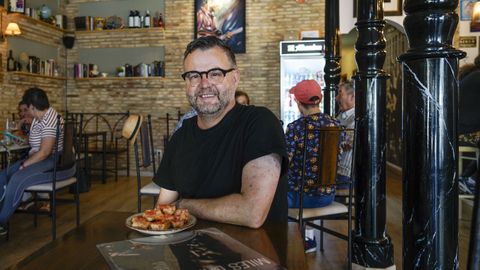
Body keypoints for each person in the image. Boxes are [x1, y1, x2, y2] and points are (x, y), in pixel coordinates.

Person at [153, 36, 288, 228]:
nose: (204, 84)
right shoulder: (180, 137)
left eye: (215, 73)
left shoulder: (260, 123)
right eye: (193, 75)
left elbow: (252, 213)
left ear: (235, 78)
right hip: (188, 252)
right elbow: (163, 209)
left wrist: (183, 205)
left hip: (254, 254)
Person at [0, 88, 75, 235]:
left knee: (17, 179)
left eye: (27, 108)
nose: (27, 111)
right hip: (41, 158)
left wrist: (23, 165)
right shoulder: (39, 119)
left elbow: (45, 152)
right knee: (3, 174)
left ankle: (1, 222)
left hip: (56, 163)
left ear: (33, 106)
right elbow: (34, 144)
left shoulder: (49, 119)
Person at [285, 79, 343, 252]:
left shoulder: (296, 127)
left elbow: (284, 163)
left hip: (301, 198)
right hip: (328, 196)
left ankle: (292, 241)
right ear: (320, 98)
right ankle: (307, 239)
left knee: (273, 198)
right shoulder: (335, 125)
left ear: (297, 102)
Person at [458, 56, 480, 194]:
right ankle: (471, 179)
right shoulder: (477, 77)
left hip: (461, 129)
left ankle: (469, 177)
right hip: (465, 132)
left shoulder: (474, 75)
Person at [335, 80, 355, 183]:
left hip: (345, 172)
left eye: (340, 92)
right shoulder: (342, 115)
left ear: (352, 96)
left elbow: (348, 142)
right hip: (336, 170)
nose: (336, 97)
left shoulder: (355, 117)